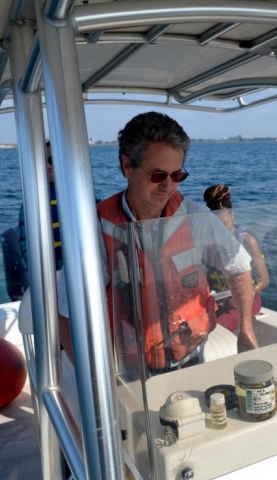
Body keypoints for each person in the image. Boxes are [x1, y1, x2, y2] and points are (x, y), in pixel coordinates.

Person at [58, 112, 258, 373]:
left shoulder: (196, 218)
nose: (168, 186)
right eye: (157, 175)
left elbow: (239, 267)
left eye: (177, 176)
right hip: (124, 369)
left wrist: (246, 329)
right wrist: (94, 381)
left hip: (192, 358)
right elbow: (67, 314)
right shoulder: (95, 229)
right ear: (127, 166)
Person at [203, 184, 269, 331]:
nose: (221, 229)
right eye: (216, 225)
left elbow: (264, 280)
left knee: (214, 328)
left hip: (247, 300)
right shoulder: (208, 242)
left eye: (224, 224)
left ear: (232, 216)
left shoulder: (246, 239)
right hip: (219, 299)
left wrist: (247, 292)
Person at [18, 141, 63, 271]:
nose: (48, 166)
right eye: (43, 162)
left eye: (51, 160)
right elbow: (25, 245)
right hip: (50, 274)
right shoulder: (31, 202)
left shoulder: (81, 195)